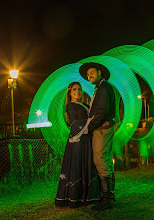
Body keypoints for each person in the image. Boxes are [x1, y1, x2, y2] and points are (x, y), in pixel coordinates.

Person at [55, 82, 101, 208]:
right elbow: (74, 124)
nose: (78, 91)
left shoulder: (85, 105)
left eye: (79, 89)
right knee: (77, 166)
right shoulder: (70, 106)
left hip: (87, 140)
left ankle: (88, 196)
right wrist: (89, 120)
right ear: (70, 92)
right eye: (74, 89)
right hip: (78, 141)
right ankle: (74, 197)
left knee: (87, 165)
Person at [79, 62, 116, 211]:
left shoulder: (104, 88)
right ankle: (109, 195)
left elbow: (100, 111)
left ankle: (106, 199)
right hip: (104, 127)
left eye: (92, 72)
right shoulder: (101, 87)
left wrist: (88, 128)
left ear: (99, 72)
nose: (89, 76)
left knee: (100, 160)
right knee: (105, 160)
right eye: (88, 75)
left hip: (102, 129)